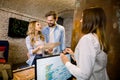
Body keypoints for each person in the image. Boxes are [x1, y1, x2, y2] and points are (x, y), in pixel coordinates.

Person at [60, 7, 110, 80]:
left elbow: (84, 75)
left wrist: (66, 62)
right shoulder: (99, 38)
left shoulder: (88, 39)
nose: (80, 21)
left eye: (83, 17)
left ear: (90, 20)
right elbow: (92, 62)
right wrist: (74, 55)